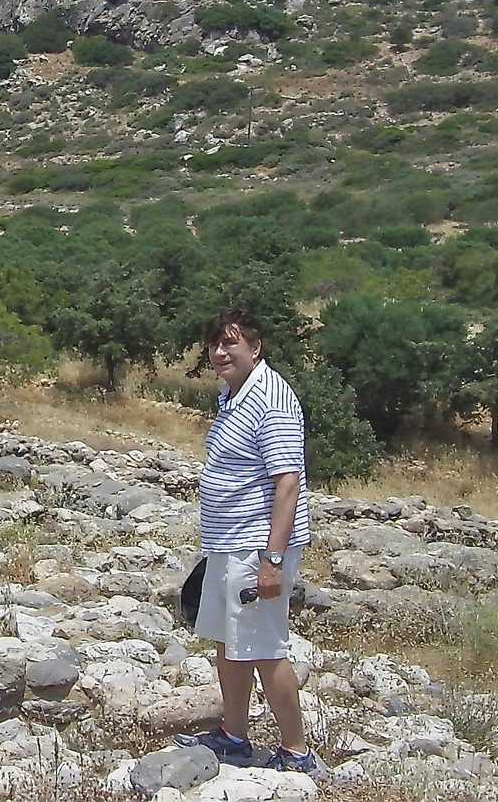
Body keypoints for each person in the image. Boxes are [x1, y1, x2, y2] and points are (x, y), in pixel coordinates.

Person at [173, 307, 319, 775]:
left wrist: (272, 560)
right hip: (226, 542)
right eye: (214, 343)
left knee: (265, 647)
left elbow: (287, 482)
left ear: (255, 347)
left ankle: (297, 752)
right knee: (227, 640)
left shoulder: (271, 398)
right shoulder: (232, 393)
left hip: (256, 547)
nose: (219, 352)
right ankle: (233, 736)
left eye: (230, 343)